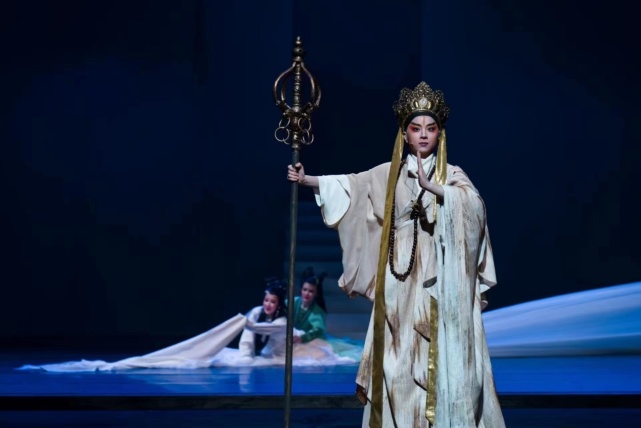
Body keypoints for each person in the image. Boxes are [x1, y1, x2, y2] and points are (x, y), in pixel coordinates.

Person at [287, 81, 505, 427]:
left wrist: (437, 190)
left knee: (433, 352)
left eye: (430, 128)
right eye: (416, 128)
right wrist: (307, 180)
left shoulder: (452, 175)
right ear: (405, 134)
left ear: (439, 134)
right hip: (399, 276)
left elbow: (474, 209)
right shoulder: (390, 174)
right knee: (397, 356)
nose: (423, 134)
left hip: (436, 278)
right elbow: (352, 186)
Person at [292, 266, 328, 344]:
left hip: (310, 341)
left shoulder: (316, 311)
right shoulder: (294, 302)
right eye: (304, 290)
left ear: (316, 293)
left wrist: (303, 338)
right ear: (301, 290)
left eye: (311, 291)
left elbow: (318, 329)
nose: (307, 294)